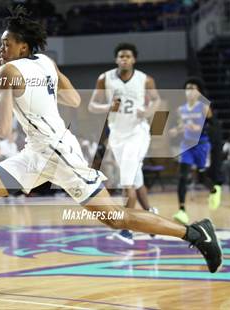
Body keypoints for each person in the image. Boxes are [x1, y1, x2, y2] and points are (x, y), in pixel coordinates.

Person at [0, 7, 222, 299]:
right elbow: (74, 100)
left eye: (7, 43)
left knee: (116, 218)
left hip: (58, 154)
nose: (1, 48)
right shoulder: (46, 63)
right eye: (1, 43)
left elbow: (3, 129)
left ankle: (195, 233)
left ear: (23, 47)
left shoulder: (10, 72)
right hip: (38, 150)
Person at [88, 42, 160, 244]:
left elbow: (156, 101)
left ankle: (127, 229)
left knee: (127, 179)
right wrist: (107, 106)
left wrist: (148, 111)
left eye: (128, 56)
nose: (124, 59)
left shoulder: (146, 79)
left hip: (138, 133)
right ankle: (150, 216)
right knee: (136, 178)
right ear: (116, 59)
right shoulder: (105, 78)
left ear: (134, 59)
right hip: (117, 135)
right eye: (121, 56)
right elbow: (92, 105)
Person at [169, 77, 222, 225]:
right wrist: (175, 130)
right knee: (182, 176)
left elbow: (213, 126)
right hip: (187, 145)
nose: (190, 91)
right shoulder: (181, 109)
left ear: (199, 92)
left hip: (201, 145)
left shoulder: (204, 107)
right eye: (187, 88)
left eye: (193, 88)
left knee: (201, 177)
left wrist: (200, 128)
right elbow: (182, 125)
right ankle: (182, 211)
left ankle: (214, 190)